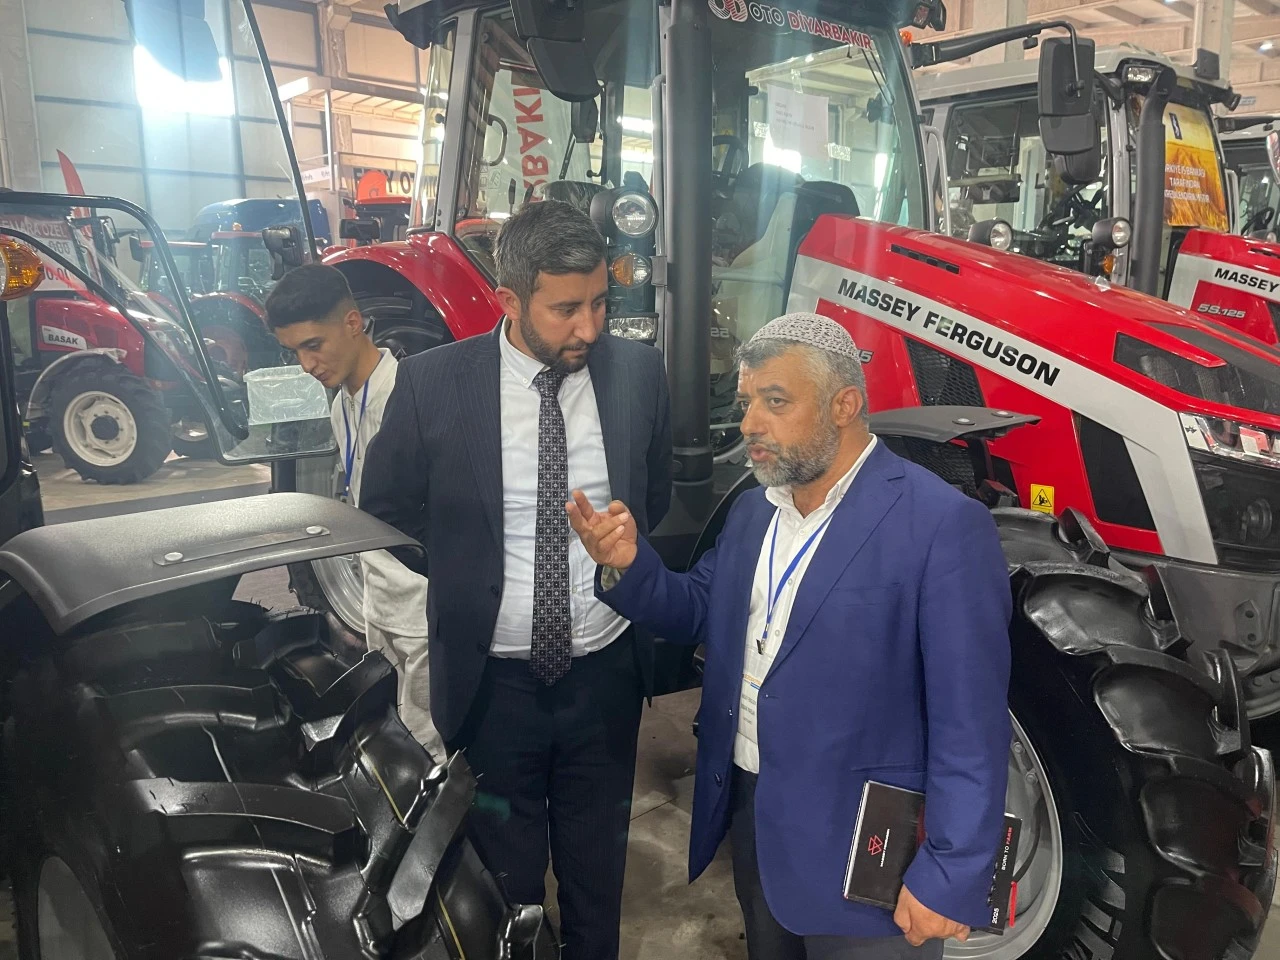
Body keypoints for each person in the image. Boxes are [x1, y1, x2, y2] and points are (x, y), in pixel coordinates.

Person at [568, 313, 1012, 960]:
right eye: (747, 402)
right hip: (754, 817)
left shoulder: (940, 526)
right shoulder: (753, 512)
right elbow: (698, 610)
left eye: (775, 401)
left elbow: (970, 723)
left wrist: (951, 870)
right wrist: (629, 566)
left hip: (866, 851)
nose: (749, 423)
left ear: (843, 405)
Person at [359, 200, 673, 960]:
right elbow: (387, 509)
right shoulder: (434, 384)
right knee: (505, 881)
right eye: (566, 310)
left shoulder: (636, 374)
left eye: (599, 303)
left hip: (604, 679)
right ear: (508, 299)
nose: (589, 328)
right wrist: (466, 571)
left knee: (597, 869)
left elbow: (653, 493)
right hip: (492, 687)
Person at [264, 263, 443, 757]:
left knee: (430, 750)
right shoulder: (341, 404)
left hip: (422, 609)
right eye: (294, 351)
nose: (306, 365)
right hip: (378, 603)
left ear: (352, 322)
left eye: (313, 345)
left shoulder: (412, 398)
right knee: (392, 740)